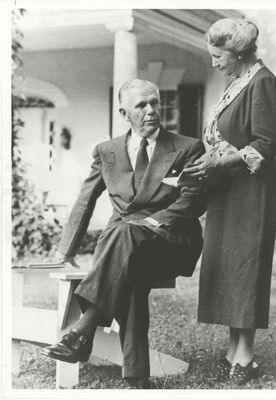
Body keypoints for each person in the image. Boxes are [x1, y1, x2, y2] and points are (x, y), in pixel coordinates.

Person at [41, 79, 207, 389]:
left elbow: (191, 202)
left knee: (126, 238)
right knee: (129, 267)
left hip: (170, 240)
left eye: (155, 103)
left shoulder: (187, 147)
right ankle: (136, 376)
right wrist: (65, 251)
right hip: (124, 247)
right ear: (124, 112)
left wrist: (151, 223)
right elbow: (84, 201)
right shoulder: (106, 151)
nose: (151, 111)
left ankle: (82, 331)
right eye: (141, 106)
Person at [183, 18, 276, 385]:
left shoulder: (263, 83)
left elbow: (265, 143)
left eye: (217, 55)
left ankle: (245, 357)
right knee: (227, 267)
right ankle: (233, 348)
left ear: (238, 53)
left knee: (245, 269)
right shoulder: (238, 83)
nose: (213, 63)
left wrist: (217, 161)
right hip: (226, 190)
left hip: (250, 192)